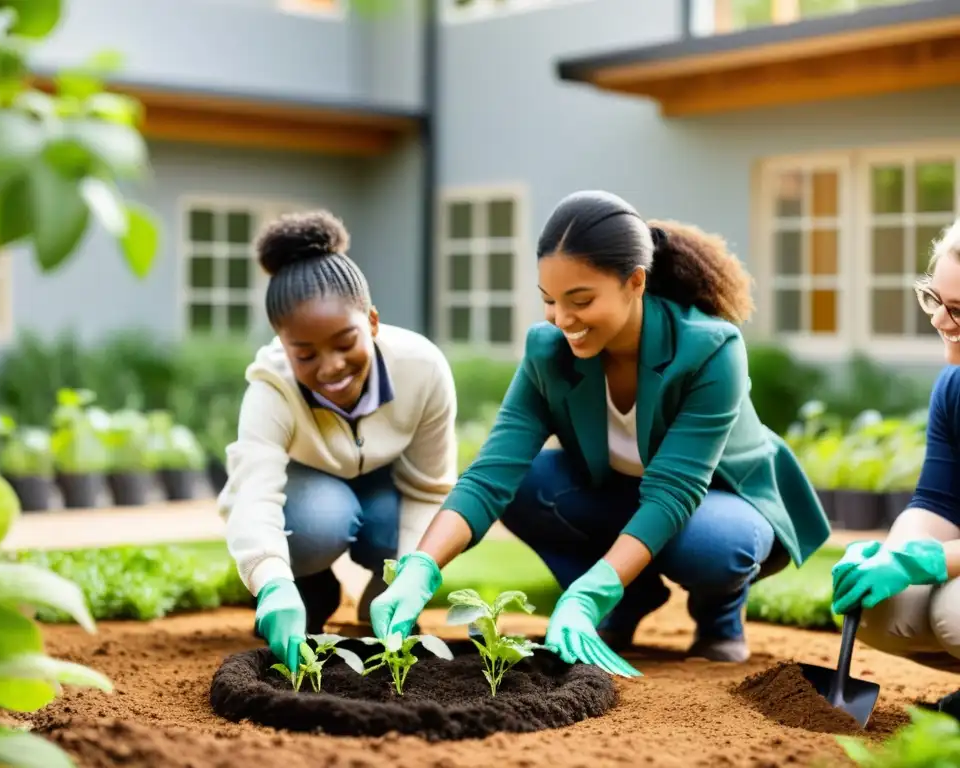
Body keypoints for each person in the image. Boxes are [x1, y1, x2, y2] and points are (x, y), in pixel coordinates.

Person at [370, 190, 831, 674]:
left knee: (714, 547)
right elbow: (490, 476)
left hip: (724, 500)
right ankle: (626, 603)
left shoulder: (710, 349)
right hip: (615, 492)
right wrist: (419, 570)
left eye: (581, 300)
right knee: (526, 487)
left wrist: (589, 594)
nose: (563, 320)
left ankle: (717, 617)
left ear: (635, 282)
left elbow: (674, 492)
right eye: (549, 300)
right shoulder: (548, 352)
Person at [219, 210, 458, 676]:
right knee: (323, 518)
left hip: (387, 493)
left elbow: (431, 489)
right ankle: (311, 588)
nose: (329, 367)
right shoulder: (271, 388)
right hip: (309, 499)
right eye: (305, 354)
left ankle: (379, 596)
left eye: (344, 342)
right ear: (284, 345)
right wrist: (271, 583)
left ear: (371, 321)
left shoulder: (422, 368)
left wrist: (408, 578)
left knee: (400, 525)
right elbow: (254, 495)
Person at [831, 218, 960, 674]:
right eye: (935, 301)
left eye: (959, 310)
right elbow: (937, 501)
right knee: (882, 608)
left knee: (956, 613)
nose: (941, 321)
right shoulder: (955, 387)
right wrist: (895, 551)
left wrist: (925, 560)